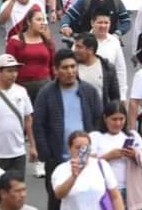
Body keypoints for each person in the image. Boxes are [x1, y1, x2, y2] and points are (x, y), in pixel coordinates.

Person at [33, 48, 103, 210]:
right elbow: (39, 125)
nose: (70, 71)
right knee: (57, 202)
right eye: (65, 68)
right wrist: (47, 155)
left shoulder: (89, 91)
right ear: (55, 70)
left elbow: (98, 121)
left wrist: (94, 150)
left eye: (73, 66)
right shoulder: (46, 93)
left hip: (86, 159)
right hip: (57, 160)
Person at [89, 101, 142, 206]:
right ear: (105, 118)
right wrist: (108, 156)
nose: (118, 123)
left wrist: (134, 155)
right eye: (114, 119)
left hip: (128, 189)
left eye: (121, 119)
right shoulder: (95, 136)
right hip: (104, 190)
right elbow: (88, 164)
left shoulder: (132, 135)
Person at [51, 130, 125, 210]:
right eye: (77, 147)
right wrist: (73, 177)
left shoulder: (102, 165)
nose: (82, 151)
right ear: (70, 149)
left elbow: (115, 196)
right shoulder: (61, 169)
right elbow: (59, 194)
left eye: (85, 147)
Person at [5, 7, 55, 103]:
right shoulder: (15, 41)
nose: (42, 23)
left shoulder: (48, 42)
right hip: (22, 87)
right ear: (28, 22)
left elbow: (53, 66)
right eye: (38, 19)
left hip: (45, 86)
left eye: (43, 20)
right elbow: (9, 67)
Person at [72, 32, 120, 107]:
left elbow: (115, 97)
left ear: (90, 50)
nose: (75, 50)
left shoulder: (107, 68)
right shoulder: (71, 67)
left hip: (99, 116)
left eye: (79, 47)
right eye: (75, 47)